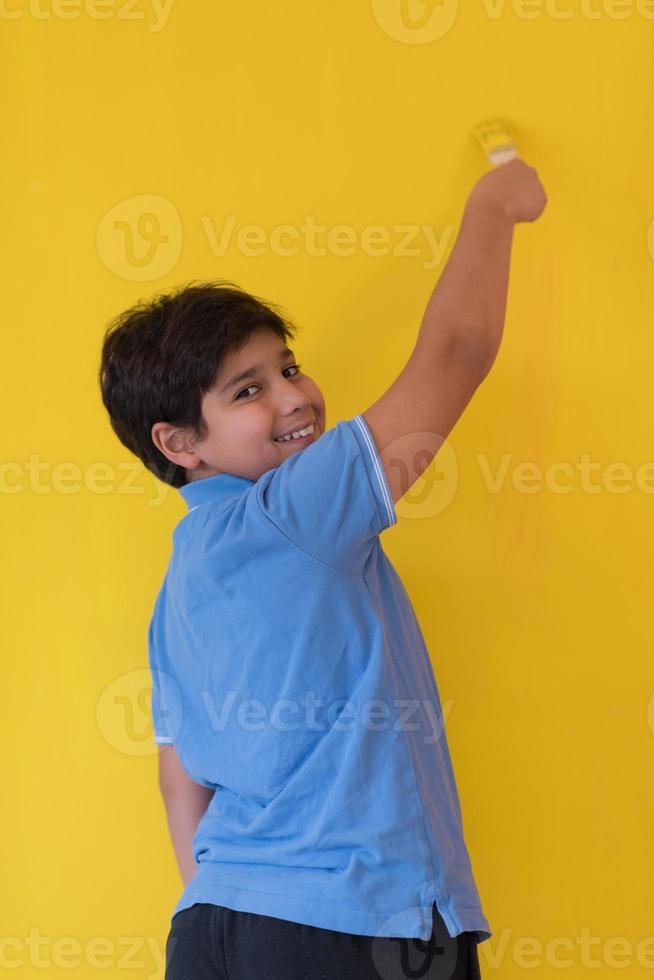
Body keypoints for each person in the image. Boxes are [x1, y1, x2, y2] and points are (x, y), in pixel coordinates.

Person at [98, 157, 547, 979]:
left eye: (289, 366)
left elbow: (179, 779)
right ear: (179, 444)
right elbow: (455, 353)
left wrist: (235, 907)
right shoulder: (297, 511)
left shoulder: (180, 590)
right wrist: (496, 204)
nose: (296, 396)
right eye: (248, 391)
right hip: (356, 927)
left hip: (216, 926)